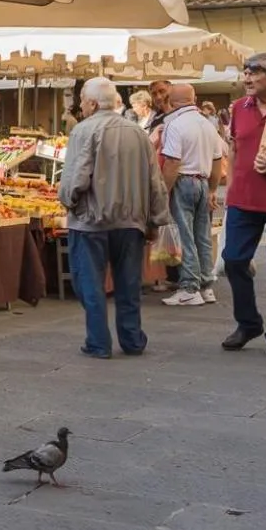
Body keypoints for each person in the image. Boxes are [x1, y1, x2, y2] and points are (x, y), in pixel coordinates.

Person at [57, 77, 170, 359]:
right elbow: (154, 181)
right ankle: (132, 339)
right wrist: (155, 219)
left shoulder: (84, 131)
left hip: (91, 221)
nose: (80, 104)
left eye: (82, 99)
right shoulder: (138, 133)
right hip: (131, 221)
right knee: (129, 283)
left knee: (90, 284)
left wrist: (68, 200)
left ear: (92, 103)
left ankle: (98, 342)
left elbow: (76, 178)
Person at [220, 53, 266, 358]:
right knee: (233, 260)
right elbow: (235, 149)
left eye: (254, 72)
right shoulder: (239, 108)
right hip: (243, 201)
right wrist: (231, 189)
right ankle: (248, 323)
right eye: (245, 71)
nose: (247, 78)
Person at [160, 84, 226, 307]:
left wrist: (163, 191)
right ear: (194, 98)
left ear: (171, 100)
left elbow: (172, 162)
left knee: (185, 235)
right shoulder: (208, 125)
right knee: (202, 236)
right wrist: (212, 189)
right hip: (203, 181)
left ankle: (189, 287)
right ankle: (207, 286)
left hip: (183, 181)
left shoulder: (174, 124)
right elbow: (218, 162)